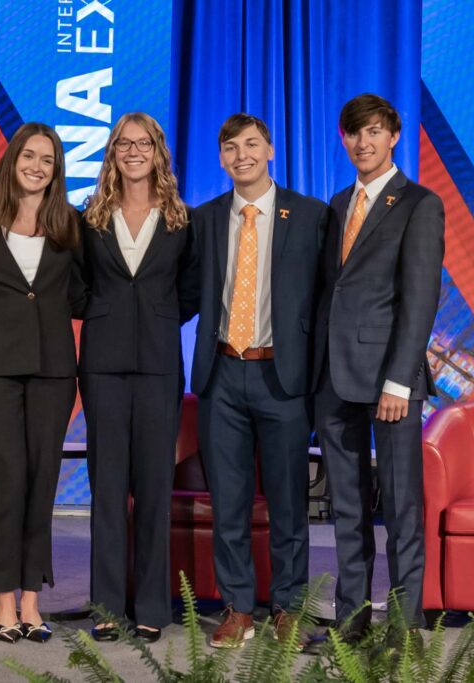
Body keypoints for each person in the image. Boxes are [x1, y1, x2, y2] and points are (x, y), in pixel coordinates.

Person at [189, 113, 328, 650]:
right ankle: (238, 607)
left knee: (290, 503)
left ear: (270, 149)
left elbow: (325, 297)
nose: (241, 154)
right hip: (221, 373)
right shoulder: (204, 219)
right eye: (230, 147)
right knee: (229, 501)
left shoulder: (311, 216)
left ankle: (288, 607)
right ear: (221, 158)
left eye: (251, 144)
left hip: (283, 377)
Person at [312, 94, 445, 644]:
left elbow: (420, 299)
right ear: (343, 139)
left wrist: (399, 378)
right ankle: (351, 620)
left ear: (392, 137)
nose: (362, 143)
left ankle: (405, 624)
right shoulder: (337, 204)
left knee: (400, 506)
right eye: (353, 133)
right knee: (346, 509)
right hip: (334, 377)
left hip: (391, 381)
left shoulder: (420, 202)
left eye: (373, 132)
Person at [79, 112, 198, 643]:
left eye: (142, 143)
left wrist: (158, 315)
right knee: (106, 491)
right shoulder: (90, 216)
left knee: (152, 488)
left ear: (157, 151)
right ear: (112, 153)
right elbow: (76, 285)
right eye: (123, 143)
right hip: (101, 365)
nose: (133, 151)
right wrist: (108, 312)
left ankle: (151, 604)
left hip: (157, 365)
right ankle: (106, 606)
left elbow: (192, 289)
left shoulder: (180, 218)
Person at [0, 122, 84, 644]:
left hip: (55, 371)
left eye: (48, 159)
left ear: (57, 170)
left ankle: (33, 600)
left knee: (41, 482)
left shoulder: (71, 224)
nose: (37, 166)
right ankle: (3, 600)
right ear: (11, 161)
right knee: (7, 480)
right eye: (29, 156)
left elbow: (81, 293)